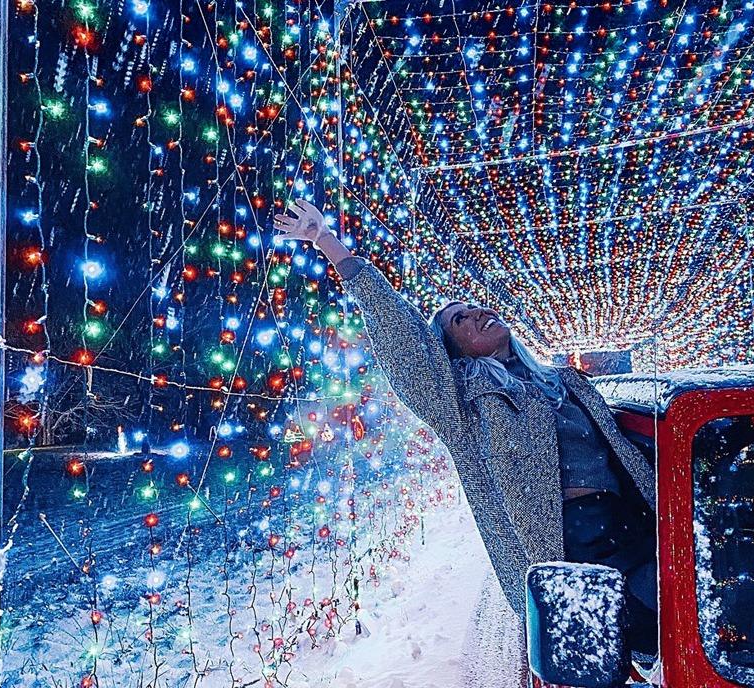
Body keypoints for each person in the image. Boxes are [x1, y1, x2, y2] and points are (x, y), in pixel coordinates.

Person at [274, 200, 658, 654]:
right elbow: (401, 337)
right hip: (570, 551)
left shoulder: (562, 380)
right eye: (460, 319)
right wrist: (327, 242)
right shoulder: (463, 403)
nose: (477, 313)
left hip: (639, 527)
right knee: (622, 654)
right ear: (453, 351)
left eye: (474, 306)